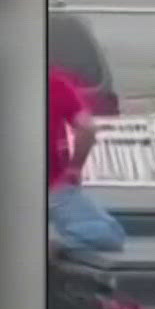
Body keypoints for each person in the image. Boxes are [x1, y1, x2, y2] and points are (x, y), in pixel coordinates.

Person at [48, 66, 125, 253]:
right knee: (108, 236)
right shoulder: (54, 83)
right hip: (53, 186)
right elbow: (87, 128)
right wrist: (75, 168)